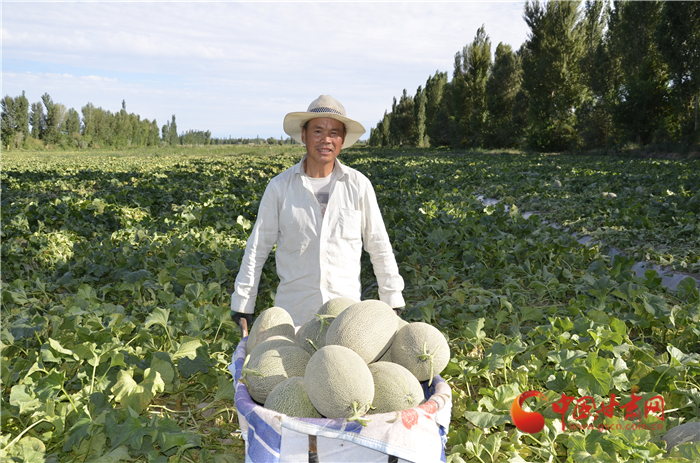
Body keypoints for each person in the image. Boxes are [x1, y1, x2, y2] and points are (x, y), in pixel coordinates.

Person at [230, 95, 405, 327]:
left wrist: (392, 300)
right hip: (293, 317)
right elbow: (257, 248)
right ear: (304, 135)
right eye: (318, 131)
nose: (326, 140)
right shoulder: (280, 187)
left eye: (334, 132)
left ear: (342, 139)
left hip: (345, 319)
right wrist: (243, 304)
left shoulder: (359, 185)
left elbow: (379, 245)